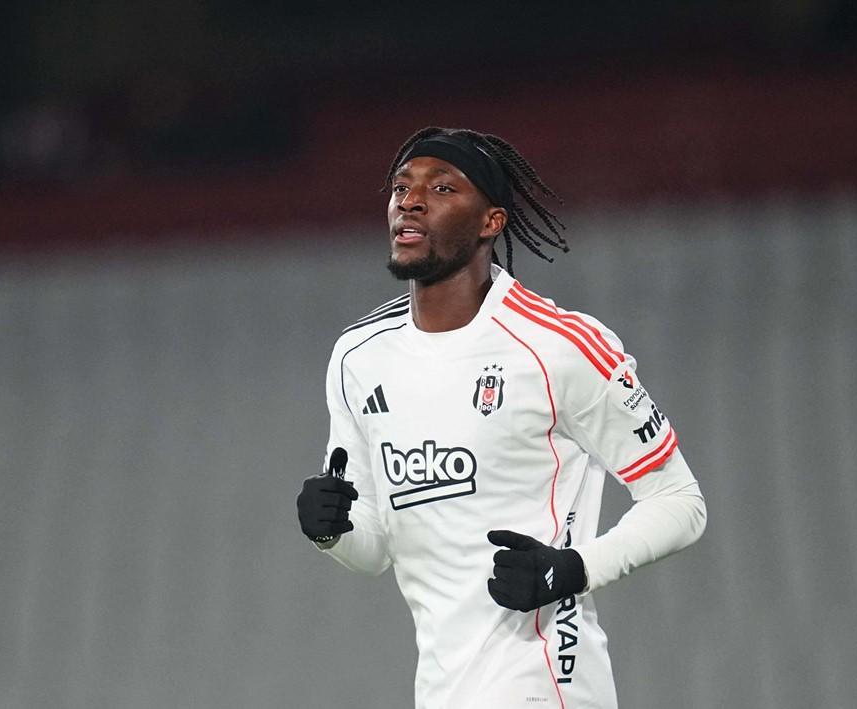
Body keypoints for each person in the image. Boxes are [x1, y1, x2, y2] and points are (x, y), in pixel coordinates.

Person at [297, 126, 707, 709]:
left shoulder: (562, 347)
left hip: (548, 687)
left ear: (491, 221)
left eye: (441, 188)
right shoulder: (358, 358)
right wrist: (330, 530)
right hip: (441, 693)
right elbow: (377, 549)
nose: (410, 201)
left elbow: (681, 503)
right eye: (401, 187)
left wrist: (572, 568)